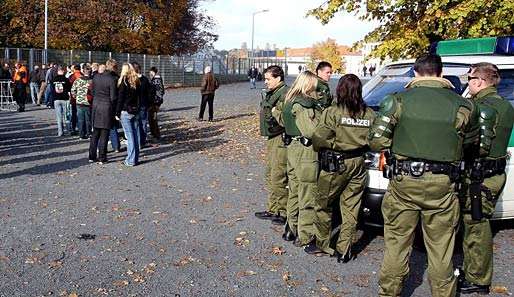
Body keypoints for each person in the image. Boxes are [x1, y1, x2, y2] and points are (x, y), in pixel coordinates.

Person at [368, 54, 479, 297]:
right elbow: (472, 145)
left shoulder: (397, 101)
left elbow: (376, 141)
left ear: (415, 73)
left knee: (396, 243)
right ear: (441, 73)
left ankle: (390, 293)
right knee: (441, 249)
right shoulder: (463, 106)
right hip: (443, 184)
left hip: (403, 183)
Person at [457, 63, 514, 295]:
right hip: (494, 172)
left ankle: (478, 279)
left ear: (479, 81)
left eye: (469, 79)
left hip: (479, 175)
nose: (467, 83)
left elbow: (470, 142)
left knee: (476, 226)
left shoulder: (479, 106)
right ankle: (472, 272)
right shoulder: (505, 105)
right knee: (476, 223)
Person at [305, 74, 375, 261]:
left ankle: (322, 244)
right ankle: (344, 249)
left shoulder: (333, 112)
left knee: (323, 204)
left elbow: (319, 138)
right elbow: (375, 140)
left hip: (336, 164)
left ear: (340, 90)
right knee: (351, 207)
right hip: (359, 163)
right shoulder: (369, 114)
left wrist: (328, 145)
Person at [281, 71, 324, 246]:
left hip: (292, 147)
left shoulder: (289, 100)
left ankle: (291, 228)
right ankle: (305, 234)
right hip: (305, 150)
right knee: (308, 191)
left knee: (294, 190)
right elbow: (311, 131)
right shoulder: (304, 104)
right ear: (309, 84)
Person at [254, 65, 289, 225]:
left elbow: (283, 118)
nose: (265, 82)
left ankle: (282, 212)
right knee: (270, 174)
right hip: (273, 137)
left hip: (280, 138)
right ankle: (273, 208)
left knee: (278, 176)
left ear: (278, 78)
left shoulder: (284, 93)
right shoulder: (274, 92)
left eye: (268, 79)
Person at [89, 64, 117, 164]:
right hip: (106, 107)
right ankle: (102, 157)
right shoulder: (112, 79)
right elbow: (113, 97)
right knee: (104, 134)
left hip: (96, 106)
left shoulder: (95, 77)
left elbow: (91, 92)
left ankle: (91, 156)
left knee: (95, 133)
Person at [116, 63, 141, 167]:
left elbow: (120, 99)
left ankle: (131, 160)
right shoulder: (136, 81)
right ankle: (135, 158)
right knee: (135, 136)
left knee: (129, 137)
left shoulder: (124, 82)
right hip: (135, 110)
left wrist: (117, 112)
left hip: (126, 111)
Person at [132, 62, 151, 148]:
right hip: (143, 103)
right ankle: (142, 141)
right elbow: (149, 92)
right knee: (143, 123)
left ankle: (138, 141)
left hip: (135, 104)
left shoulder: (132, 80)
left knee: (136, 124)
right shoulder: (145, 79)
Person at [71, 65, 93, 139]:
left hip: (79, 101)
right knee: (88, 119)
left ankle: (81, 134)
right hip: (88, 102)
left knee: (80, 119)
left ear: (83, 71)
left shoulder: (78, 80)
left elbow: (73, 90)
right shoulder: (92, 81)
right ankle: (88, 133)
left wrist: (76, 96)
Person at [51, 66, 72, 136]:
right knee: (66, 116)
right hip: (65, 99)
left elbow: (52, 90)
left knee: (59, 117)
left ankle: (60, 132)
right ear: (63, 71)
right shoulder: (66, 79)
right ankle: (69, 131)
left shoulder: (53, 79)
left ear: (57, 71)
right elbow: (69, 89)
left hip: (56, 99)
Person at [106, 59, 121, 153]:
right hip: (115, 104)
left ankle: (103, 147)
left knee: (104, 127)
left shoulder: (103, 77)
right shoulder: (118, 78)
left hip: (104, 103)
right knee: (113, 127)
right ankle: (116, 146)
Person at [148, 66, 164, 140]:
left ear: (153, 72)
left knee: (153, 118)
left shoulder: (156, 80)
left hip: (155, 102)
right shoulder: (157, 79)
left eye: (150, 72)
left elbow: (159, 92)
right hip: (155, 101)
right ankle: (155, 133)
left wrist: (157, 103)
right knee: (152, 118)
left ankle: (156, 134)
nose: (149, 73)